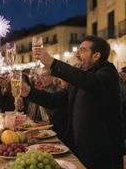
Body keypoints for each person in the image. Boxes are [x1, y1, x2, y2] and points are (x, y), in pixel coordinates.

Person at [21, 35, 125, 169]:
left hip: (103, 154)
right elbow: (54, 100)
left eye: (82, 50)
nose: (76, 54)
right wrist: (29, 92)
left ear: (96, 55)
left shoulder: (108, 74)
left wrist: (52, 63)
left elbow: (89, 81)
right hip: (81, 149)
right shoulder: (82, 77)